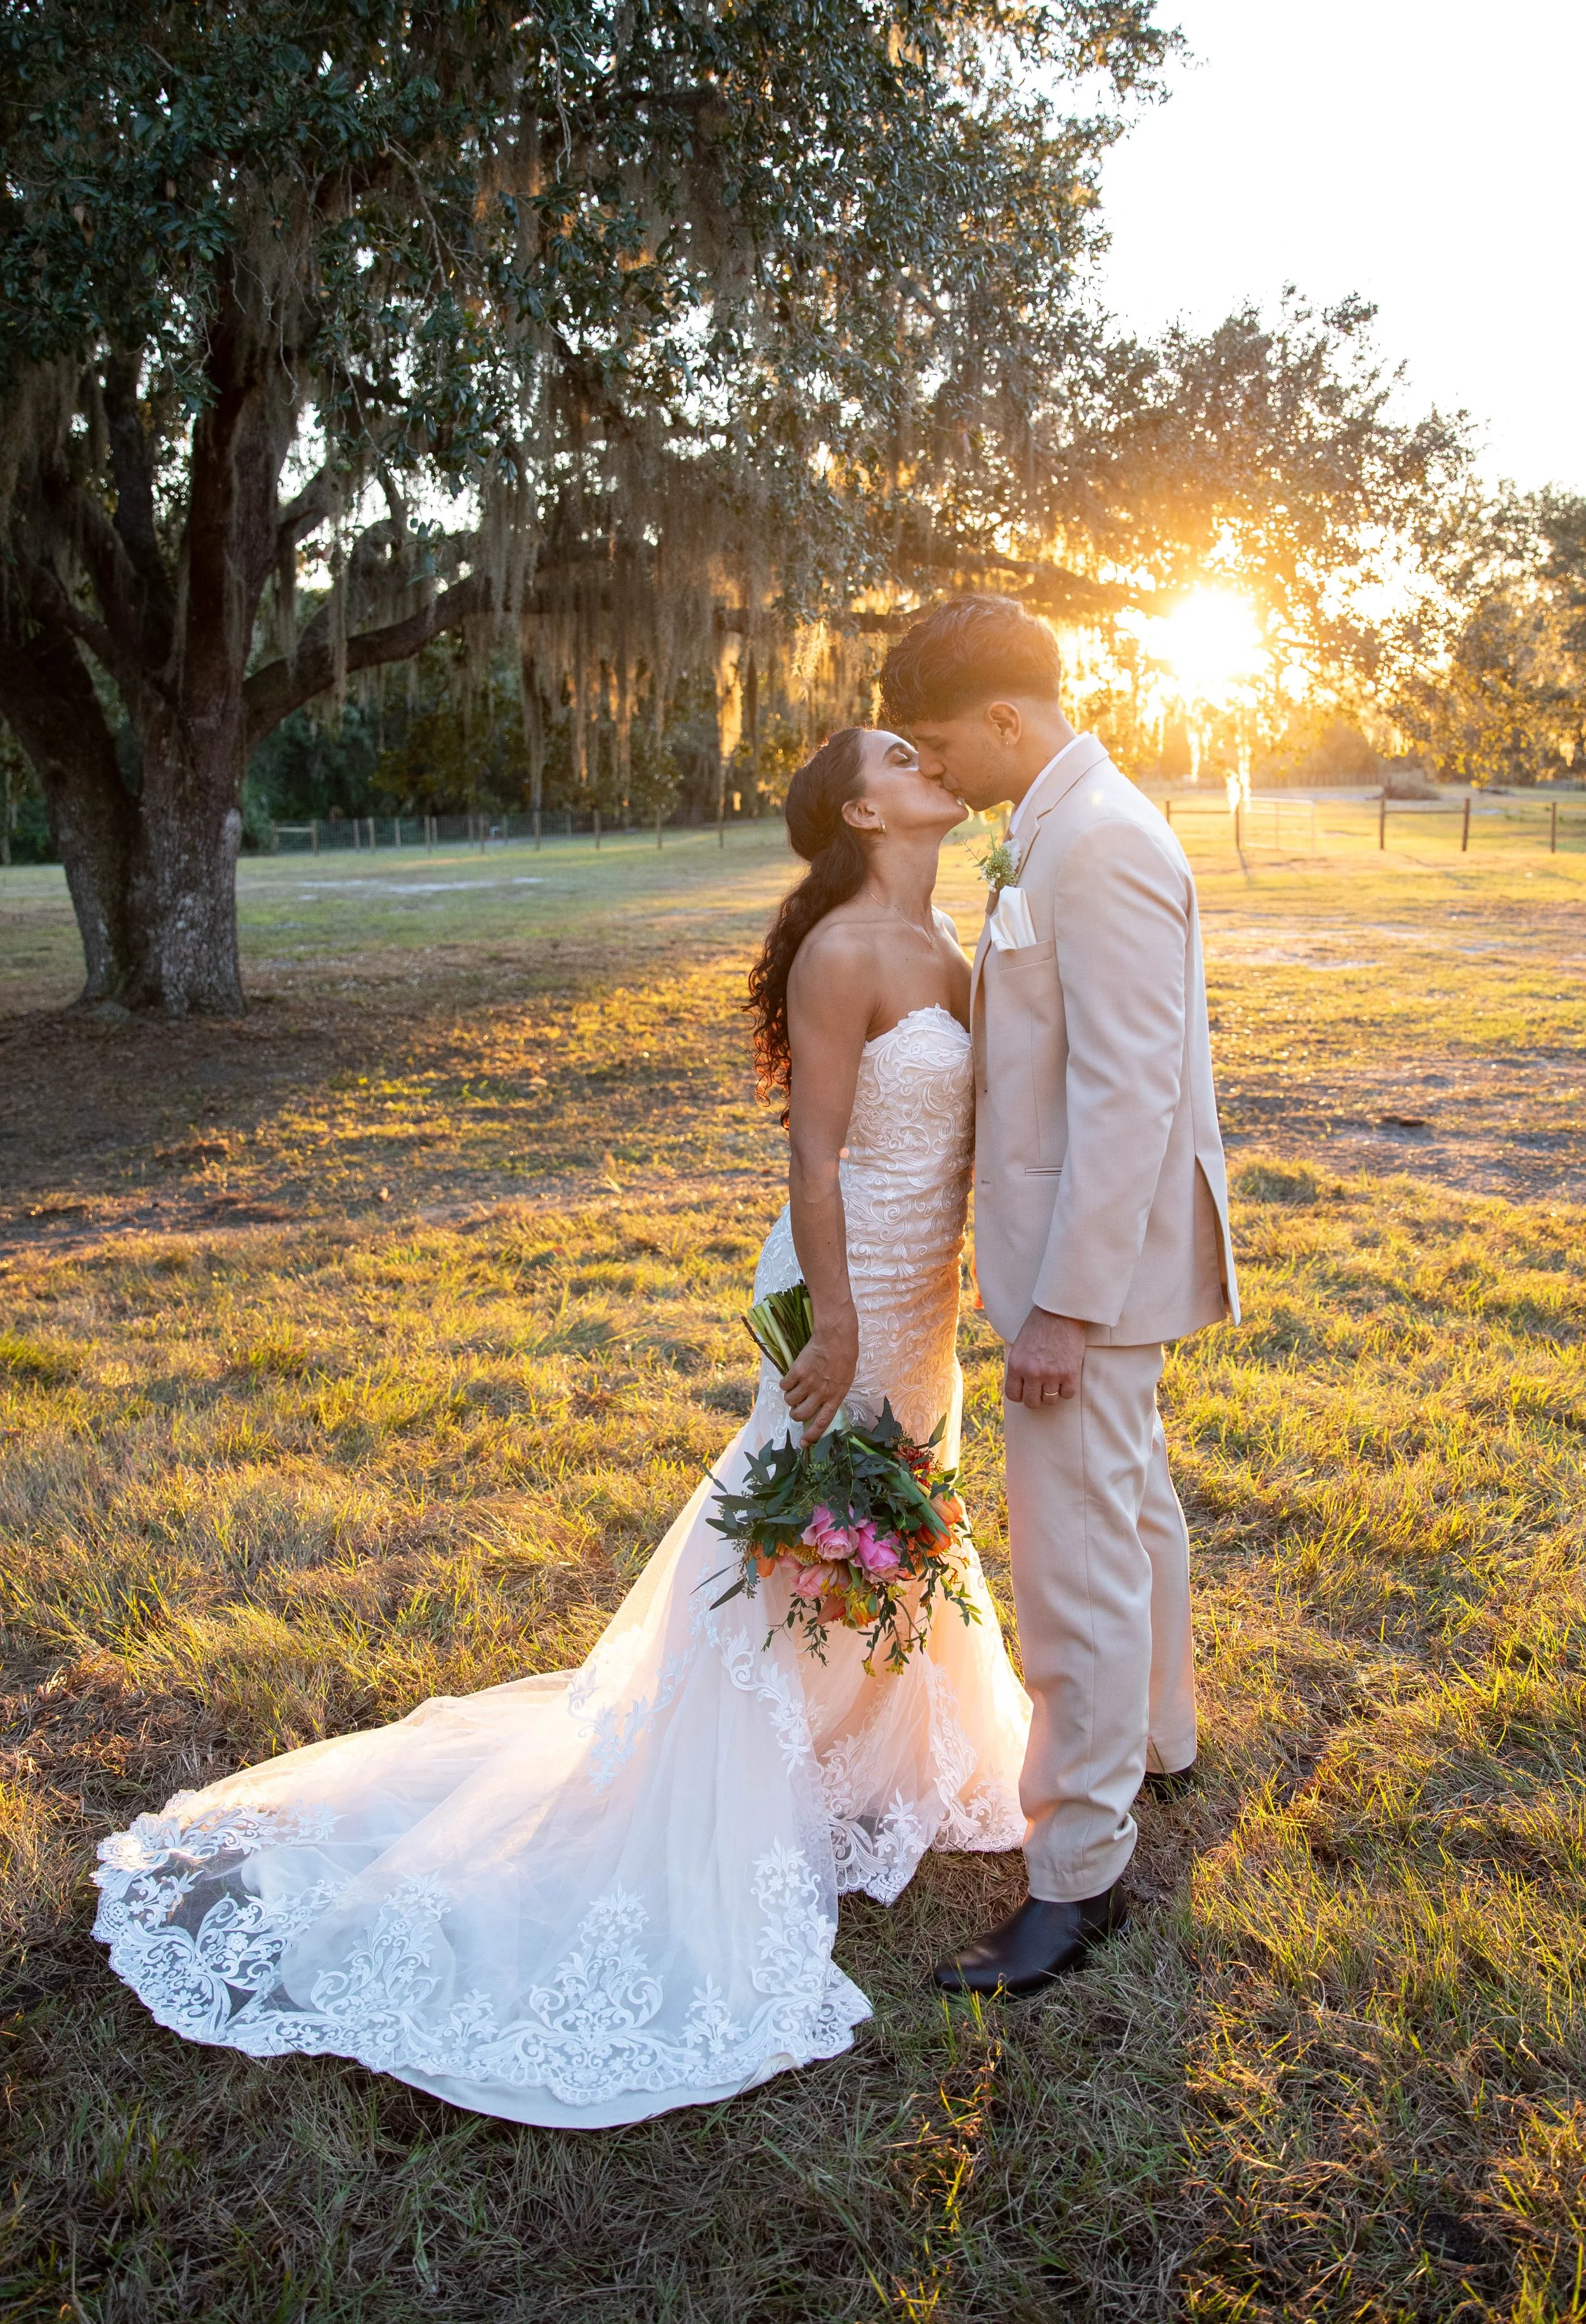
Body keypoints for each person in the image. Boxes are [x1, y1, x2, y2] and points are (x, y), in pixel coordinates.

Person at [93, 728, 1030, 2129]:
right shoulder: (844, 951)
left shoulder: (948, 932)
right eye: (903, 754)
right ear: (860, 807)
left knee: (894, 1511)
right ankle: (721, 1782)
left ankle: (864, 1750)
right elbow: (814, 1149)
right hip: (846, 1286)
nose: (933, 759)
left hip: (923, 1295)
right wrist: (832, 1323)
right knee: (796, 1523)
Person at [879, 596, 1238, 1996]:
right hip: (1090, 1268)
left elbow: (1130, 1093)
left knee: (1073, 1560)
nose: (932, 769)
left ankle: (1077, 1875)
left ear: (1005, 720)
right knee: (1129, 1506)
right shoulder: (1055, 823)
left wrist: (1063, 1309)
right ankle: (1156, 1738)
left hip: (1090, 1279)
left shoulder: (1100, 843)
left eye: (937, 743)